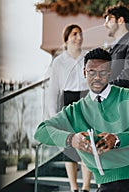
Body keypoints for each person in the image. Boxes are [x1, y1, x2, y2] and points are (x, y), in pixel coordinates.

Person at [34, 47, 129, 192]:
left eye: (103, 72)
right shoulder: (76, 110)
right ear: (84, 73)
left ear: (110, 72)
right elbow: (41, 131)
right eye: (91, 72)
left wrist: (117, 140)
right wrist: (71, 139)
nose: (97, 77)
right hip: (106, 183)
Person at [45, 24, 92, 192]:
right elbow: (53, 92)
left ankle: (86, 187)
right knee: (69, 147)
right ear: (66, 39)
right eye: (74, 34)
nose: (79, 37)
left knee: (87, 145)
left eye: (80, 34)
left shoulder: (88, 57)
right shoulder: (58, 62)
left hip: (87, 101)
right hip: (68, 102)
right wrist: (53, 117)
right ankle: (74, 188)